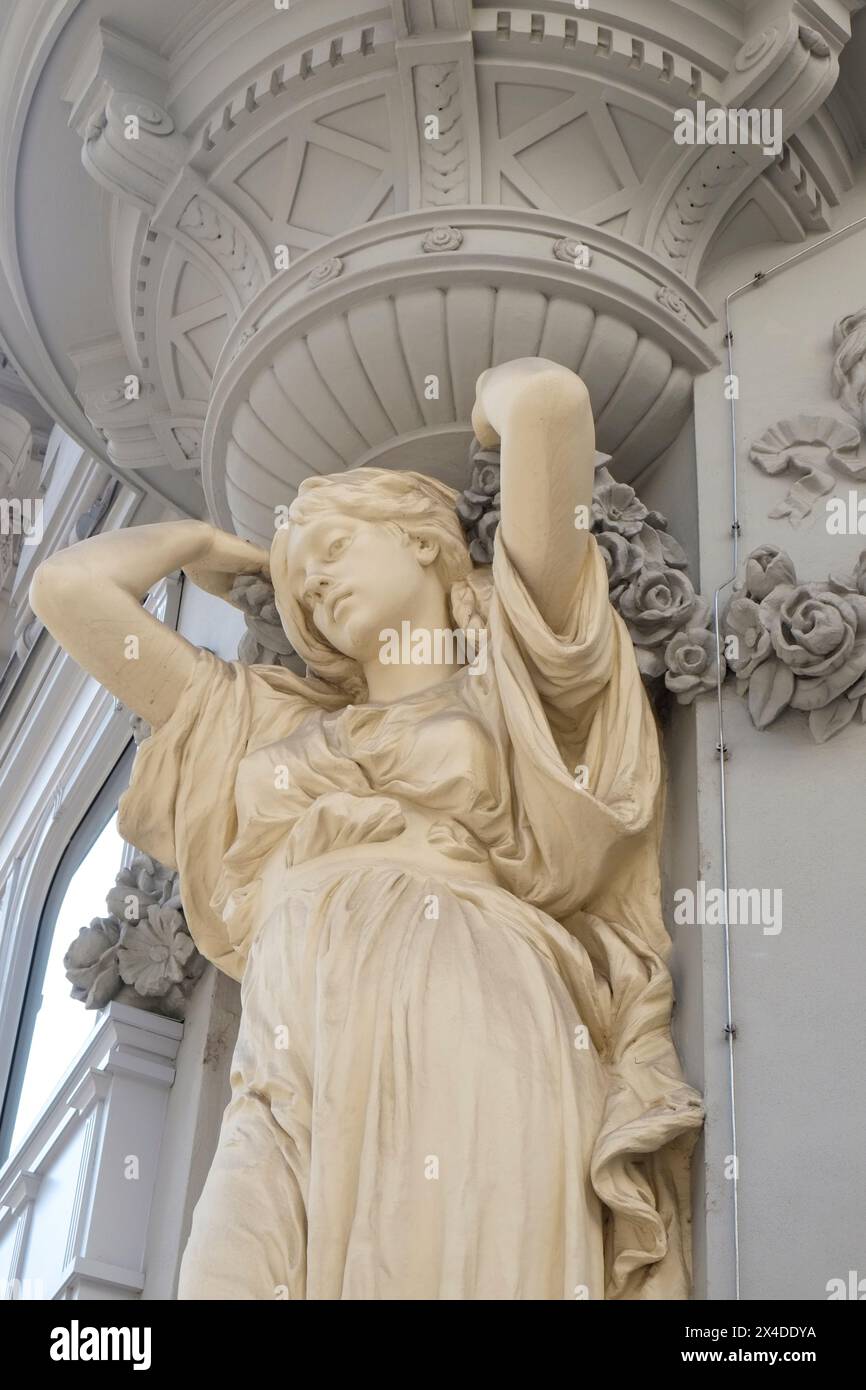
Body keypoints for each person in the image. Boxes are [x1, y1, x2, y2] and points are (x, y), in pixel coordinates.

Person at [30, 357, 703, 1299]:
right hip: (284, 1044)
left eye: (336, 550)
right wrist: (195, 542)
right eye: (299, 585)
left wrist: (489, 400)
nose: (314, 589)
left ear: (426, 544)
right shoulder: (262, 720)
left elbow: (550, 403)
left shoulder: (511, 673)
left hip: (465, 998)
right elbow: (67, 592)